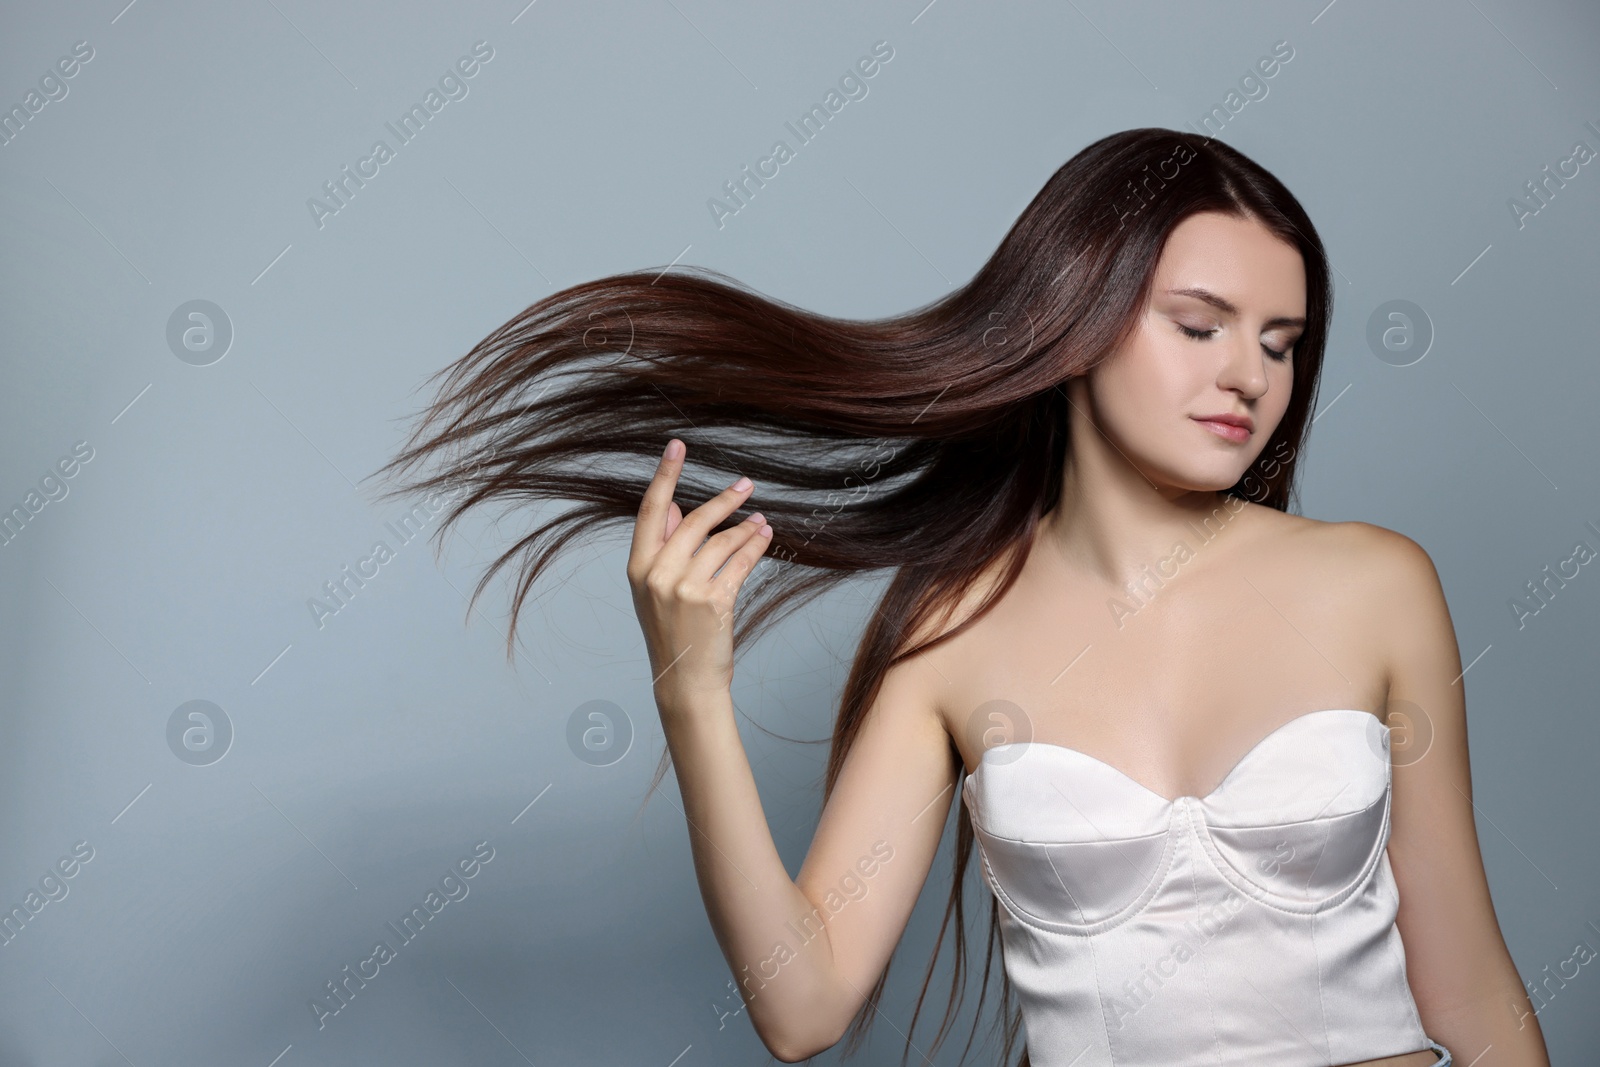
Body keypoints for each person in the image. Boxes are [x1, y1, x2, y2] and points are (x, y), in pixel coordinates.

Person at [377, 128, 1551, 1066]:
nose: (1248, 374)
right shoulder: (950, 630)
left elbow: (1468, 985)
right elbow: (805, 1006)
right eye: (1199, 325)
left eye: (1282, 343)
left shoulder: (1373, 585)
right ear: (1077, 321)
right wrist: (692, 690)